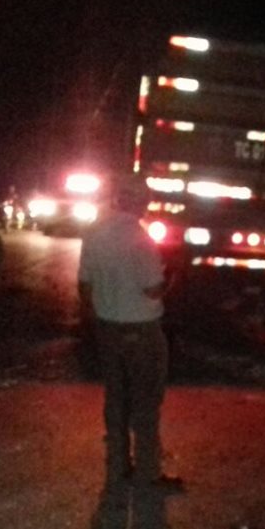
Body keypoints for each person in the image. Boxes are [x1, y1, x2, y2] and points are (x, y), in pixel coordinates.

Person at [77, 188, 177, 489]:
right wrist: (171, 279)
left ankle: (118, 466)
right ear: (141, 206)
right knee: (146, 400)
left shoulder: (94, 236)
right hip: (142, 327)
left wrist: (97, 312)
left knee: (115, 397)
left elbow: (83, 284)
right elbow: (152, 289)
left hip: (108, 325)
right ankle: (148, 471)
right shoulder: (142, 241)